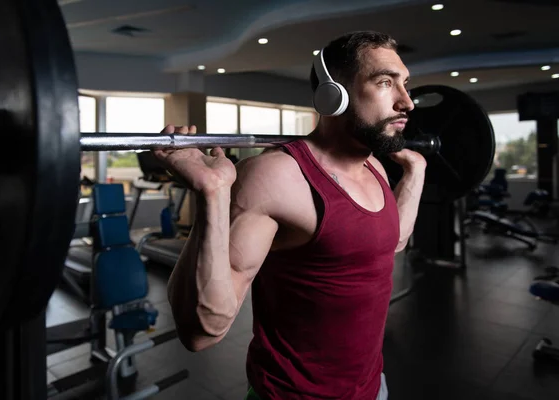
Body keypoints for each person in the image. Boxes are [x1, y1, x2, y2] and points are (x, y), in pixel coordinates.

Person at [153, 30, 426, 400]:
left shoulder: (375, 166)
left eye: (406, 85)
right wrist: (213, 194)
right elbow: (203, 330)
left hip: (372, 386)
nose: (407, 102)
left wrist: (416, 170)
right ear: (334, 95)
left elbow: (388, 243)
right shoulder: (277, 176)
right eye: (385, 83)